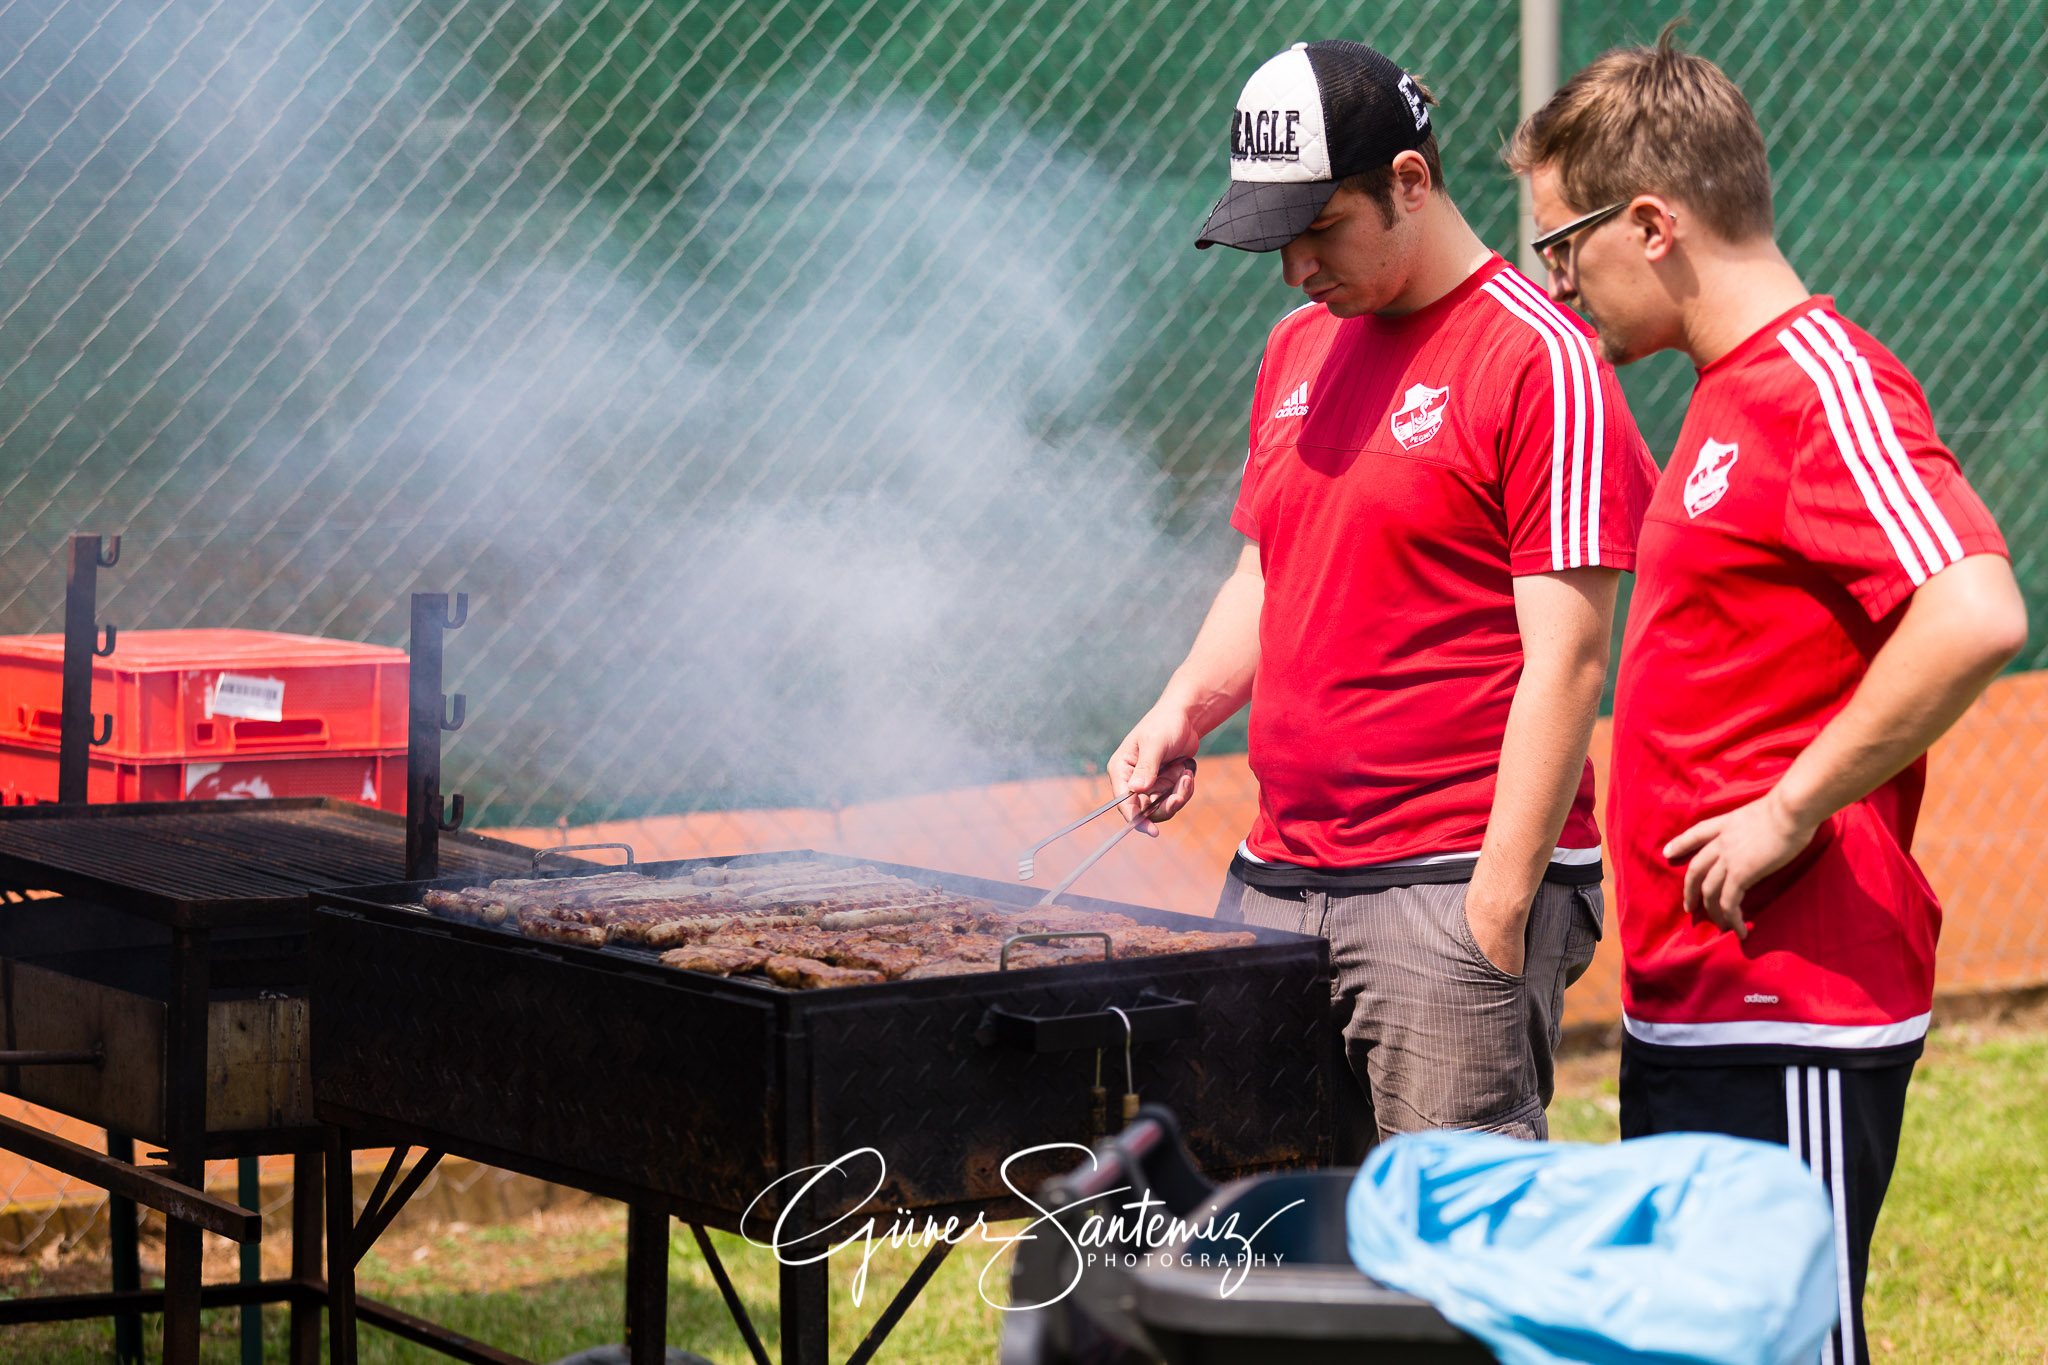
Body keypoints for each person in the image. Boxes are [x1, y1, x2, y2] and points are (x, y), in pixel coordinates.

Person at [1508, 29, 2027, 1363]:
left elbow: (1974, 609)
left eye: (1565, 248)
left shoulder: (1820, 385)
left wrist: (1788, 811)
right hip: (1701, 996)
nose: (1561, 286)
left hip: (1794, 1000)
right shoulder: (1727, 391)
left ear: (1654, 223)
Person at [1111, 39, 1658, 1157]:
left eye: (1318, 231)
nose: (1294, 269)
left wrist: (1494, 913)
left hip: (1445, 879)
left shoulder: (1539, 357)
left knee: (1449, 1253)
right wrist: (1183, 707)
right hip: (1281, 872)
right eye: (1278, 239)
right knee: (1250, 1224)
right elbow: (1268, 565)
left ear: (1408, 183)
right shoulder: (1294, 347)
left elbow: (1566, 661)